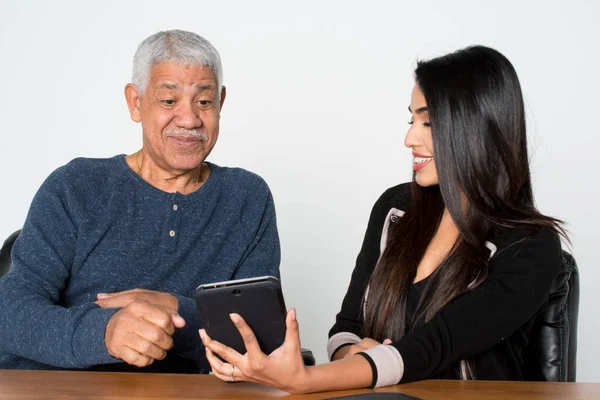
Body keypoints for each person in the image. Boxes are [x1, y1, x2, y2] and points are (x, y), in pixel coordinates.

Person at [200, 45, 567, 393]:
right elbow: (346, 328)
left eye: (428, 123)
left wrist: (308, 379)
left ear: (474, 129)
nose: (409, 138)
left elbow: (435, 346)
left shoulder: (531, 246)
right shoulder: (395, 209)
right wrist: (352, 356)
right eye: (411, 120)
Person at [0, 30, 280, 373]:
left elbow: (261, 339)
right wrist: (105, 333)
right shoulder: (75, 186)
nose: (190, 119)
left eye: (203, 102)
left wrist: (176, 309)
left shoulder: (247, 197)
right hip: (61, 389)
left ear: (220, 103)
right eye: (168, 101)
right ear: (135, 102)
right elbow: (10, 311)